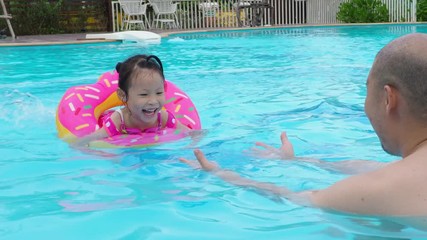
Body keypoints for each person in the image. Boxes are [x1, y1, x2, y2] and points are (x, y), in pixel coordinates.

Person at [180, 33, 427, 217]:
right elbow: (370, 167)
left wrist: (219, 173)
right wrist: (298, 162)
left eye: (366, 91)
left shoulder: (375, 192)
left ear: (387, 99)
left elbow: (293, 199)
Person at [73, 54, 190, 147]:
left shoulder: (164, 118)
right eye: (144, 94)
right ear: (123, 95)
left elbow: (191, 133)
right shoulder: (118, 121)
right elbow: (91, 139)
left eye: (159, 93)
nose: (153, 101)